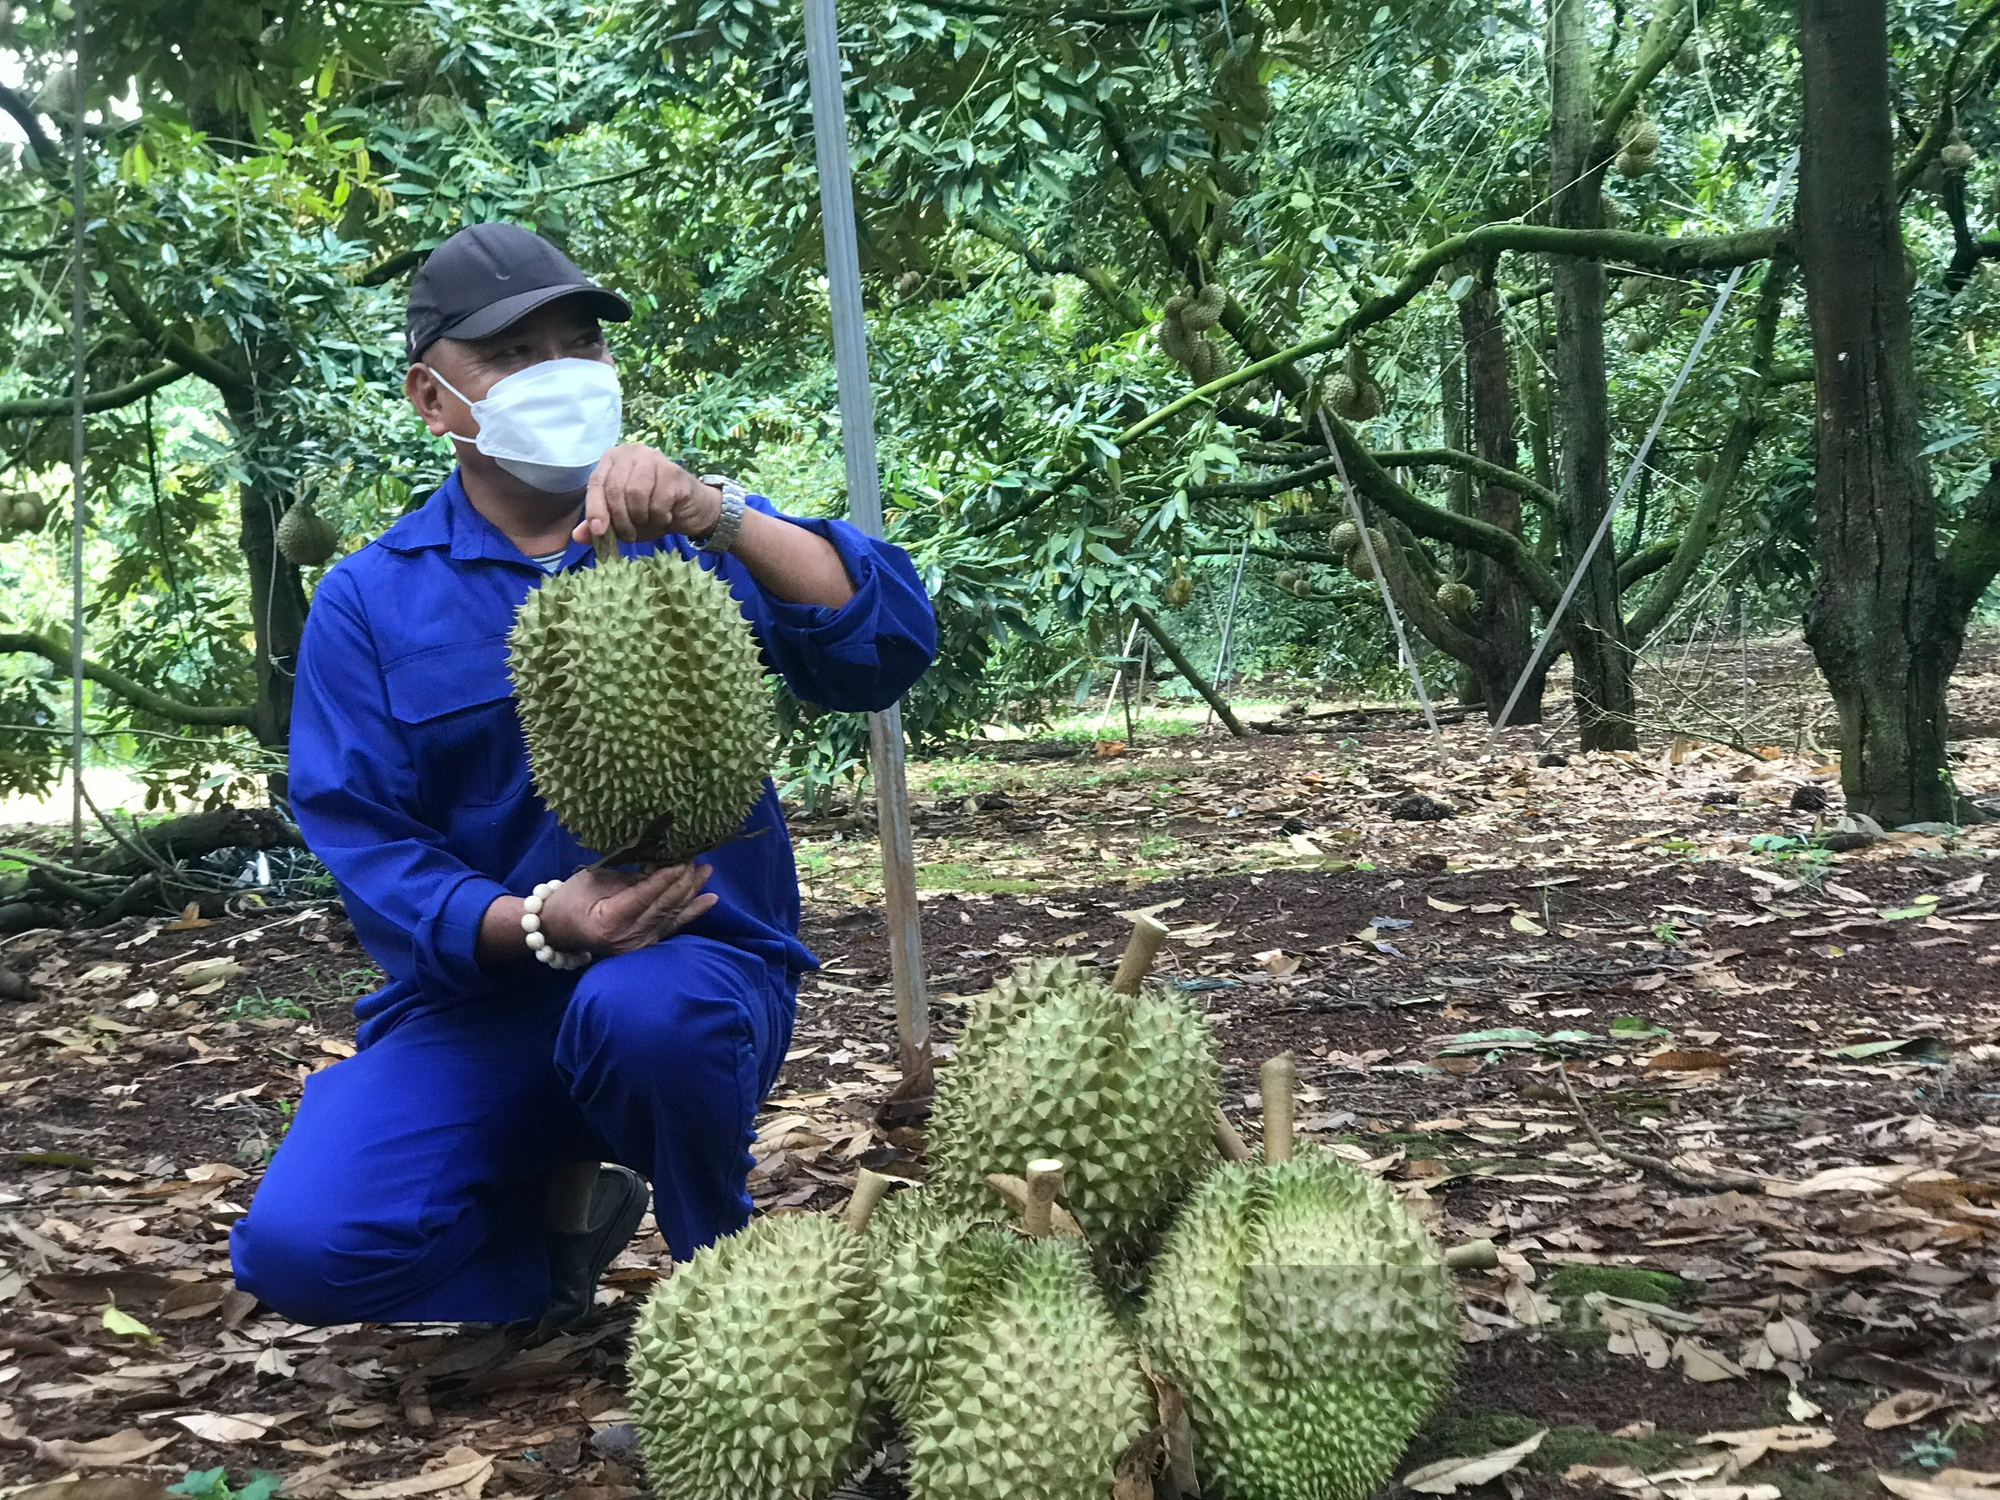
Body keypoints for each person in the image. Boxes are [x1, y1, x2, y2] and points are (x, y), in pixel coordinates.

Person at [229, 223, 936, 1328]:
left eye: (577, 346)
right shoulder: (370, 599)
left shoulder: (691, 540)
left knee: (645, 1016)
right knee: (304, 1250)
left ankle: (723, 1289)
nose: (556, 375)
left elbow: (884, 648)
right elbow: (365, 840)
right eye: (512, 357)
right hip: (482, 1006)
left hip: (691, 974)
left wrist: (723, 512)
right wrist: (539, 919)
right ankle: (548, 1247)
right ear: (432, 400)